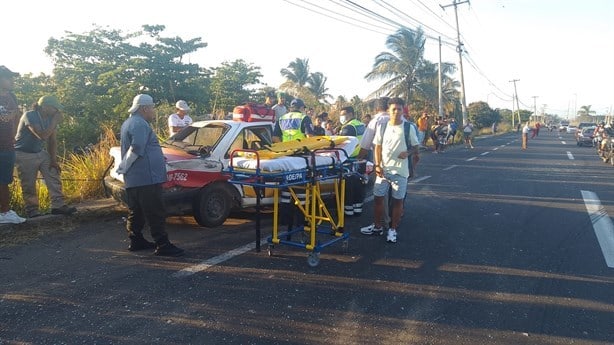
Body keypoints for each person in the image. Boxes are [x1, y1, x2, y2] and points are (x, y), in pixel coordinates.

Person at [116, 94, 184, 256]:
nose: (154, 111)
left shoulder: (130, 122)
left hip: (136, 178)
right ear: (145, 108)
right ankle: (162, 244)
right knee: (155, 211)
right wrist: (124, 166)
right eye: (152, 108)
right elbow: (137, 148)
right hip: (147, 177)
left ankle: (136, 239)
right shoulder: (140, 124)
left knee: (137, 211)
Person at [14, 95, 76, 218]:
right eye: (55, 108)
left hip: (39, 152)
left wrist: (53, 160)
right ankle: (32, 210)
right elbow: (42, 135)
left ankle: (58, 205)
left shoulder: (50, 118)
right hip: (23, 153)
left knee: (53, 172)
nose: (57, 111)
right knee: (29, 183)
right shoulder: (30, 115)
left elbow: (52, 140)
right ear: (45, 107)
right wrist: (54, 122)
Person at [370, 97, 419, 243]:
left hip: (400, 172)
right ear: (388, 110)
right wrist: (378, 165)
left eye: (399, 109)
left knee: (398, 202)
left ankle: (392, 229)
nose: (396, 112)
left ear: (403, 110)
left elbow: (416, 147)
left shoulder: (408, 127)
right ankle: (378, 226)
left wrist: (408, 153)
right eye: (393, 109)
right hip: (383, 171)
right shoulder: (383, 127)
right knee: (378, 200)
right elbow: (377, 147)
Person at [0, 66, 26, 224]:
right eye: (8, 78)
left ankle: (4, 212)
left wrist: (15, 136)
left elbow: (16, 115)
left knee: (4, 180)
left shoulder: (12, 97)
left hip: (7, 146)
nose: (12, 81)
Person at [338, 106, 366, 216]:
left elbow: (341, 143)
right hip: (361, 158)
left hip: (349, 159)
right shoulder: (360, 124)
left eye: (343, 114)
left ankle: (348, 211)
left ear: (351, 114)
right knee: (359, 183)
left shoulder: (348, 127)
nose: (342, 117)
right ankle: (358, 208)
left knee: (347, 185)